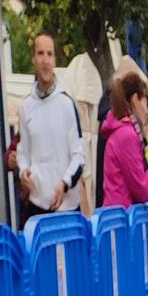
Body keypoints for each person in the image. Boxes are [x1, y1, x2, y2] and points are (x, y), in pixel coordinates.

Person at [15, 31, 85, 225]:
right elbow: (23, 152)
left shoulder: (66, 103)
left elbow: (79, 156)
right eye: (40, 54)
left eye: (50, 54)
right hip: (37, 208)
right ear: (33, 59)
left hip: (67, 208)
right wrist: (23, 171)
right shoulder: (25, 106)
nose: (45, 60)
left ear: (54, 59)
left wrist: (64, 184)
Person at [99, 70, 148, 209]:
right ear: (136, 99)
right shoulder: (127, 136)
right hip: (123, 220)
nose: (146, 109)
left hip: (118, 217)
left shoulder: (120, 131)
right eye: (145, 100)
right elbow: (142, 190)